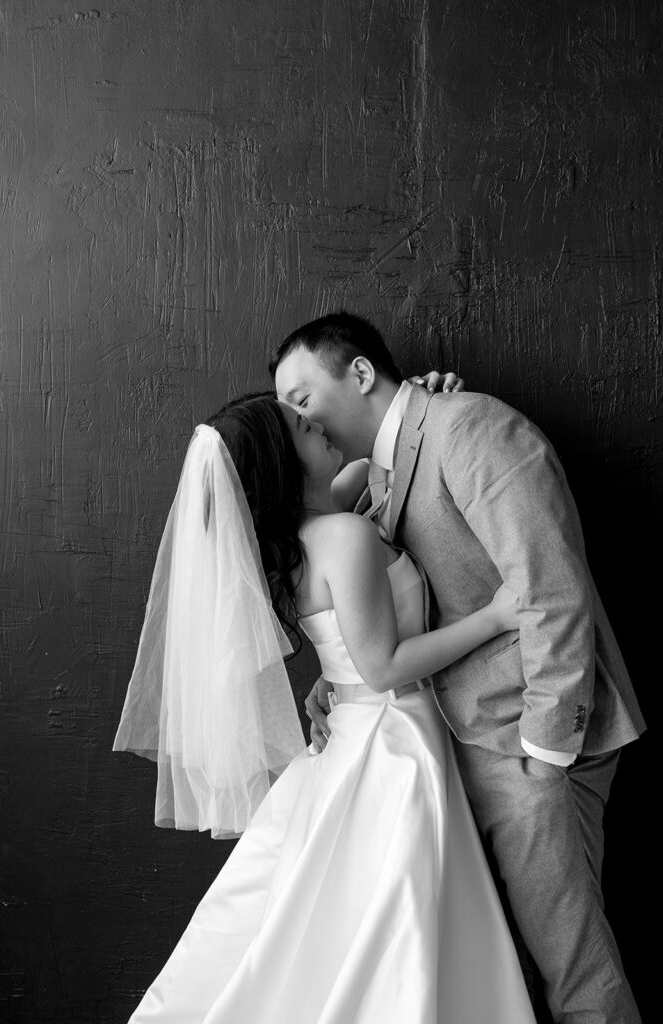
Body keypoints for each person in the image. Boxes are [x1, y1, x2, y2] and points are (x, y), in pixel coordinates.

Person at [114, 391, 537, 1023]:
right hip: (392, 731)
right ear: (285, 466)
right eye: (302, 428)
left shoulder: (307, 535)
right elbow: (385, 666)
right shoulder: (344, 534)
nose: (317, 424)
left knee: (340, 915)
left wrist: (423, 403)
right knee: (402, 914)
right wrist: (494, 616)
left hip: (351, 723)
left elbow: (369, 469)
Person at [271, 312, 646, 1024]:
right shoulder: (377, 472)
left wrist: (542, 753)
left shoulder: (472, 429)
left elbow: (550, 592)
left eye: (300, 397)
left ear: (357, 374)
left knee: (572, 975)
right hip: (447, 750)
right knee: (505, 984)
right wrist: (337, 678)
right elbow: (402, 602)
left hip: (521, 746)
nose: (298, 419)